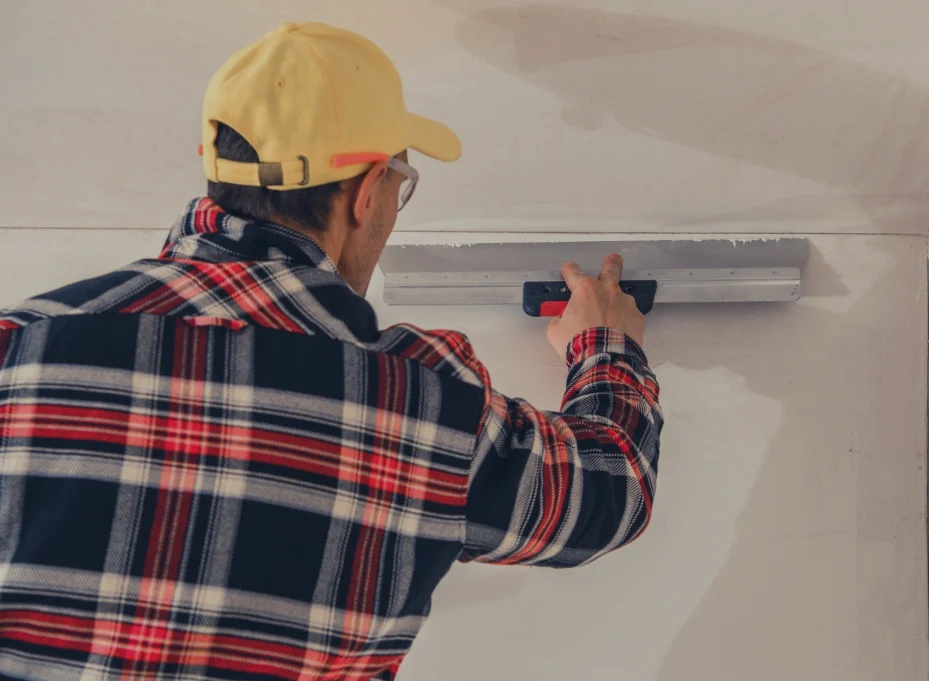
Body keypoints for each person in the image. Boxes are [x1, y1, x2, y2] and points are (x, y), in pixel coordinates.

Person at [0, 22, 663, 681]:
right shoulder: (423, 404)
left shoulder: (20, 348)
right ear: (368, 192)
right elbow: (612, 491)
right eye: (400, 185)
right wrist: (604, 344)